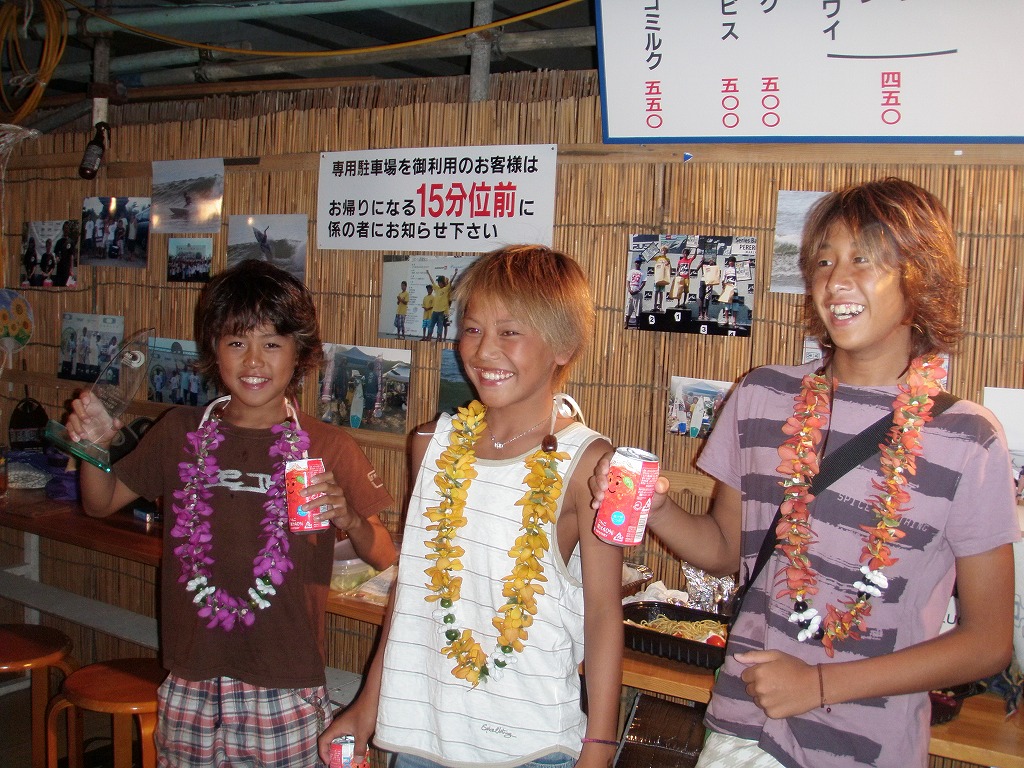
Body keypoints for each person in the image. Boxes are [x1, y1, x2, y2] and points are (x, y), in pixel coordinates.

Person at [590, 178, 1019, 768]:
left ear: (920, 277)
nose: (835, 280)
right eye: (823, 260)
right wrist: (657, 509)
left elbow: (988, 643)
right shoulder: (762, 396)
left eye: (864, 260)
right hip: (744, 734)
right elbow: (724, 550)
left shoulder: (968, 437)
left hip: (869, 751)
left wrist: (818, 685)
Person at [64, 259, 399, 768]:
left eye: (272, 343)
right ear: (213, 349)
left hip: (284, 681)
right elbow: (99, 502)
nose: (253, 361)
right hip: (190, 676)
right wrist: (93, 445)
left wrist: (349, 518)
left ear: (299, 352)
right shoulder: (181, 431)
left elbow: (385, 555)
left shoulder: (326, 444)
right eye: (237, 342)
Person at [319, 245, 624, 768]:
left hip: (533, 746)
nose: (484, 351)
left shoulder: (589, 463)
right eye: (473, 329)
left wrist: (598, 748)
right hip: (421, 737)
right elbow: (412, 594)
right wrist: (365, 710)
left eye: (510, 332)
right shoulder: (430, 444)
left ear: (564, 346)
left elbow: (602, 614)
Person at [426, 268, 457, 341]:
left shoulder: (446, 289)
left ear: (443, 283)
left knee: (440, 326)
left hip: (441, 311)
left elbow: (451, 281)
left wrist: (455, 273)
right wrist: (428, 273)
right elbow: (432, 281)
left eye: (440, 282)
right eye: (438, 282)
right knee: (431, 325)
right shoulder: (436, 288)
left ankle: (438, 339)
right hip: (435, 311)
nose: (439, 283)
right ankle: (429, 338)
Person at [625, 254, 644, 326]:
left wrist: (638, 290)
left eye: (639, 262)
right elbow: (628, 281)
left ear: (641, 264)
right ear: (635, 263)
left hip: (638, 293)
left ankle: (637, 324)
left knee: (638, 309)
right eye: (637, 262)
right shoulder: (631, 271)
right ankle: (626, 324)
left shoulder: (643, 272)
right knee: (628, 308)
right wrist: (629, 290)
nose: (638, 264)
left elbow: (643, 283)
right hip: (631, 292)